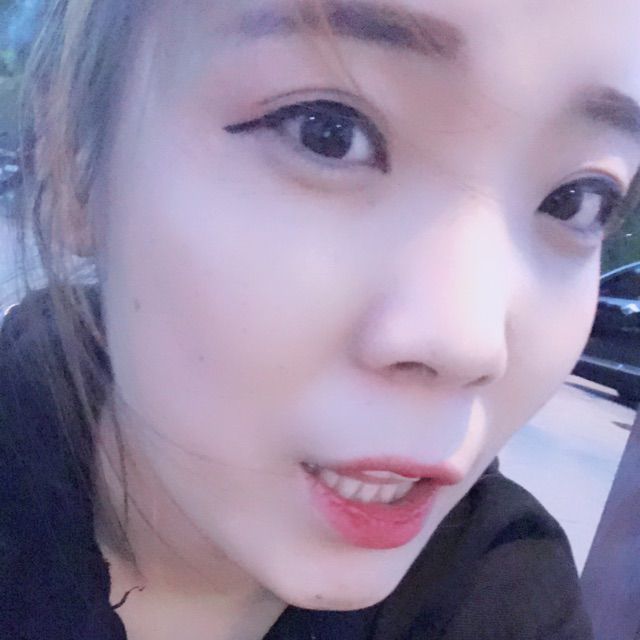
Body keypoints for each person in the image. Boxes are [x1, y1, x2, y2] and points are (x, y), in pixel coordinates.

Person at [1, 0, 639, 638]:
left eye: (576, 201)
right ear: (74, 159)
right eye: (327, 132)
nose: (468, 343)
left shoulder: (512, 601)